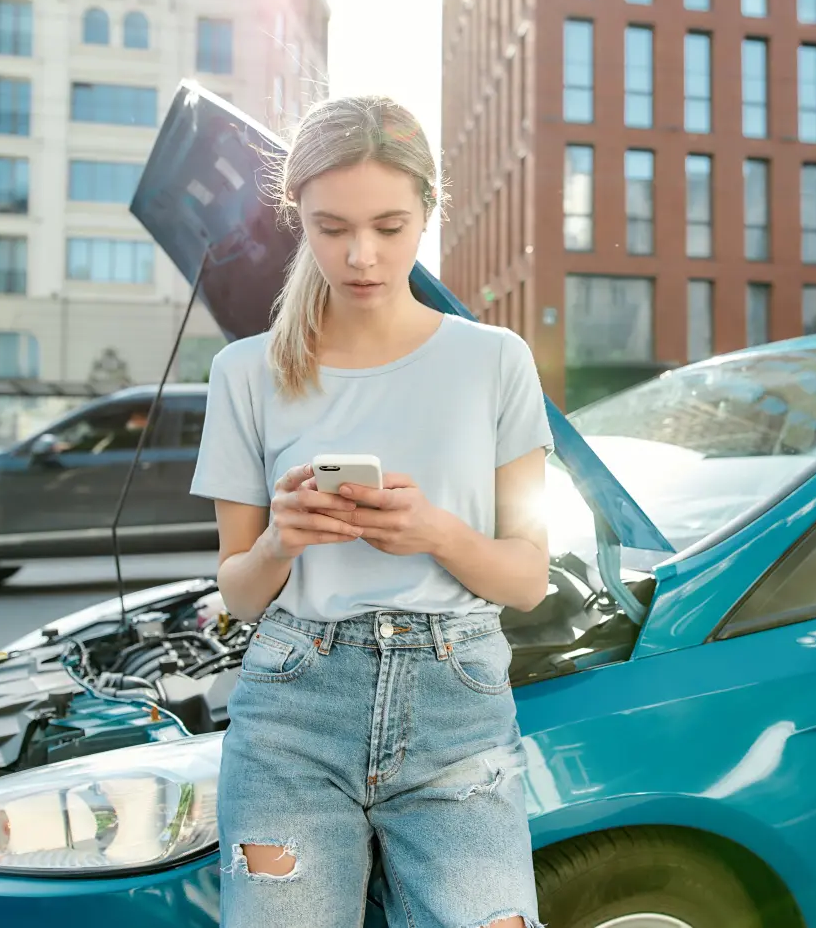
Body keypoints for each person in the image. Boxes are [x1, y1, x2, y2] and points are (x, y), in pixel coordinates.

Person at [189, 94, 551, 928]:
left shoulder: (495, 361)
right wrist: (281, 540)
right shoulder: (246, 373)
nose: (361, 255)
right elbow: (240, 594)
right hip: (291, 713)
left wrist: (438, 533)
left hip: (457, 713)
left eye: (389, 226)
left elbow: (528, 577)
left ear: (429, 210)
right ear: (298, 221)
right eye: (331, 227)